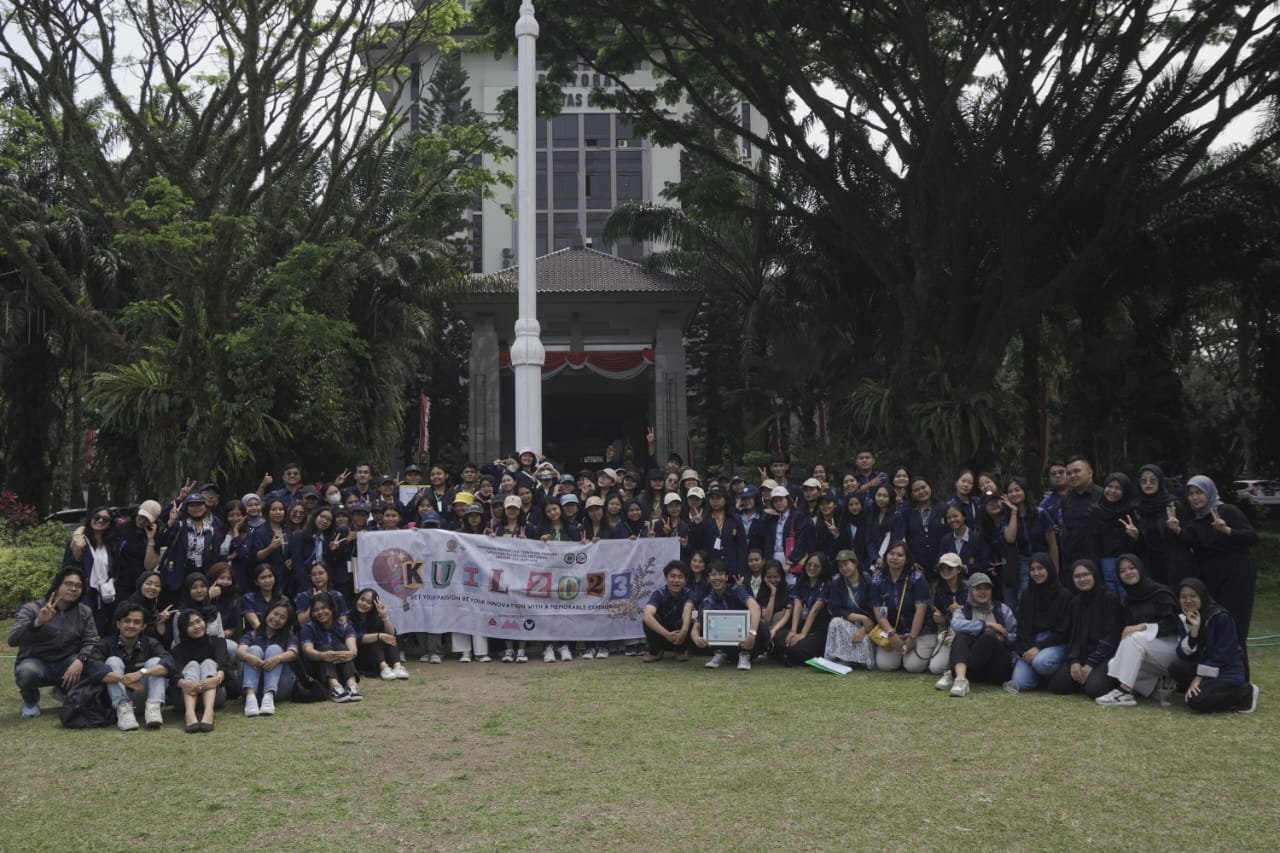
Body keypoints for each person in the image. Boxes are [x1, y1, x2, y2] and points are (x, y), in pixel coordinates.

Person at [1168, 474, 1258, 679]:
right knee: (1215, 625)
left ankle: (1241, 682)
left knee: (1235, 628)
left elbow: (1251, 537)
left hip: (1237, 575)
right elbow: (1195, 543)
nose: (1194, 497)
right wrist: (1177, 530)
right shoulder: (1197, 521)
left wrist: (1227, 530)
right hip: (1211, 578)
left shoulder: (1226, 511)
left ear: (1209, 493)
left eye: (1199, 492)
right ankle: (1217, 678)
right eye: (1191, 494)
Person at [9, 566, 100, 718]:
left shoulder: (84, 611)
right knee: (27, 673)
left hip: (67, 661)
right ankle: (30, 702)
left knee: (91, 665)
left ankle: (63, 691)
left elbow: (92, 640)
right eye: (68, 584)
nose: (73, 589)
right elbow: (13, 640)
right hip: (36, 661)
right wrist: (37, 623)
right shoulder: (32, 608)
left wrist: (81, 659)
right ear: (57, 586)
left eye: (78, 586)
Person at [1095, 554, 1181, 707]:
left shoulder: (1161, 592)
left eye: (1132, 568)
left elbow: (1173, 624)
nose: (1128, 573)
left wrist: (1143, 626)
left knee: (1134, 637)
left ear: (1140, 568)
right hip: (1150, 650)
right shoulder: (1128, 600)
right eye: (1122, 571)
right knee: (1115, 662)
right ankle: (1157, 686)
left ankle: (1124, 693)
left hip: (1173, 648)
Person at [1169, 578, 1259, 714]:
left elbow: (1223, 654)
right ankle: (1205, 690)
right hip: (1204, 666)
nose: (1188, 600)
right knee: (1176, 667)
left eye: (1193, 596)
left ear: (1202, 596)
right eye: (1183, 597)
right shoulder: (1185, 618)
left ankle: (1246, 692)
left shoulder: (1220, 617)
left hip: (1226, 670)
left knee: (1196, 702)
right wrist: (1194, 632)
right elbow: (1182, 653)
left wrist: (1198, 677)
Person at [86, 601, 176, 731]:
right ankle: (124, 712)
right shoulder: (104, 644)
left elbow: (170, 665)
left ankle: (153, 709)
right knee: (113, 661)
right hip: (115, 700)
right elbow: (94, 670)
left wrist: (141, 673)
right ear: (118, 624)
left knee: (156, 662)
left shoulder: (151, 644)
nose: (131, 625)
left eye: (136, 622)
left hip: (143, 697)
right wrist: (123, 679)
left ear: (143, 626)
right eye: (127, 621)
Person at [1047, 560, 1122, 698]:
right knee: (1058, 685)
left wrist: (1091, 663)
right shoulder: (1076, 602)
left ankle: (1097, 679)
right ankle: (1086, 678)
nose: (1082, 579)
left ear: (1095, 575)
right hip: (1082, 654)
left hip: (1105, 655)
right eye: (1077, 576)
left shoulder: (1108, 599)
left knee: (1094, 690)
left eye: (1086, 574)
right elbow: (1073, 636)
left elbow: (1112, 636)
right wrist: (1074, 661)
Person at [936, 572, 1017, 697]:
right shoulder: (963, 611)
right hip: (974, 672)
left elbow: (1016, 637)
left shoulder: (1002, 609)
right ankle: (960, 680)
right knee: (961, 636)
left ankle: (953, 673)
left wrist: (1005, 636)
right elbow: (955, 625)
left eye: (986, 588)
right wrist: (987, 625)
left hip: (997, 669)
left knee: (989, 636)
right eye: (977, 588)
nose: (982, 592)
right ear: (970, 591)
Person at [1006, 553, 1070, 693]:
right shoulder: (1027, 594)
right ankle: (1040, 676)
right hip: (1031, 642)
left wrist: (1038, 648)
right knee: (1020, 683)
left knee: (1041, 662)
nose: (1036, 573)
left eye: (1040, 568)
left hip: (1055, 643)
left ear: (1049, 568)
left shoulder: (1064, 595)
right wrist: (1024, 650)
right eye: (1032, 569)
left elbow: (1063, 631)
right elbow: (1022, 627)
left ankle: (1055, 672)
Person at [690, 562, 770, 670]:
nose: (717, 578)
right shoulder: (707, 601)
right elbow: (696, 626)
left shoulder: (737, 590)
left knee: (762, 626)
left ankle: (745, 655)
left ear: (726, 577)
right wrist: (695, 637)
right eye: (713, 575)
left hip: (746, 641)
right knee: (706, 618)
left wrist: (752, 634)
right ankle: (719, 653)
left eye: (721, 574)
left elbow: (755, 607)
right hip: (725, 643)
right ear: (708, 579)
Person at [869, 541, 934, 672]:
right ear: (886, 556)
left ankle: (917, 651)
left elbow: (920, 611)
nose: (894, 558)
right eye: (891, 554)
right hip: (894, 631)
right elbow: (879, 612)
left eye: (900, 555)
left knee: (913, 667)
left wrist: (912, 637)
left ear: (907, 559)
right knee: (885, 665)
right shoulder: (877, 579)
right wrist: (891, 633)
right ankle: (902, 655)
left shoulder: (917, 578)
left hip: (920, 631)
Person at [236, 600, 300, 716]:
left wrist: (277, 658)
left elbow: (293, 653)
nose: (277, 619)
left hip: (279, 688)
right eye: (275, 614)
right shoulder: (252, 634)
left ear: (287, 622)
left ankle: (268, 696)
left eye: (282, 617)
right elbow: (240, 651)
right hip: (250, 685)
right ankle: (250, 698)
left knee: (275, 649)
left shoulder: (289, 636)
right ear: (268, 613)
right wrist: (249, 657)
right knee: (254, 649)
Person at [170, 609, 228, 733]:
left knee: (208, 662)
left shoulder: (217, 642)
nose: (196, 626)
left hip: (215, 695)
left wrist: (217, 678)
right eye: (190, 624)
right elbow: (173, 674)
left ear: (204, 622)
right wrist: (184, 683)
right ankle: (189, 714)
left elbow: (223, 666)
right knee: (192, 665)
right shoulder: (177, 650)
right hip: (185, 697)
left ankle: (209, 712)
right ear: (183, 629)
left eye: (198, 621)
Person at [64, 506, 119, 634]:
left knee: (99, 631)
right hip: (84, 593)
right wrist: (77, 546)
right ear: (90, 518)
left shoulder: (111, 545)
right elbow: (68, 567)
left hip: (104, 595)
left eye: (105, 519)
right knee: (80, 630)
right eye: (97, 517)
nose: (100, 520)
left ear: (110, 523)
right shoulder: (79, 541)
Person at [299, 592, 362, 703]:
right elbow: (308, 650)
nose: (320, 612)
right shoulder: (308, 628)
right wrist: (322, 655)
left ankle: (352, 685)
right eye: (316, 610)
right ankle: (334, 687)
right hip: (318, 671)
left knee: (341, 647)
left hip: (340, 669)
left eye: (324, 608)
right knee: (325, 648)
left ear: (332, 608)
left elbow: (353, 648)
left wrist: (350, 654)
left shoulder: (344, 626)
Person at [824, 550, 876, 669]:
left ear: (855, 563)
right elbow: (835, 609)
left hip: (869, 626)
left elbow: (875, 610)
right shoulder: (837, 583)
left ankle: (856, 660)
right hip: (849, 623)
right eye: (840, 566)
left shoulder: (869, 581)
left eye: (846, 564)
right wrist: (861, 617)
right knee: (835, 622)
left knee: (862, 641)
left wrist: (863, 629)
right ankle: (836, 660)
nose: (843, 568)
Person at [781, 553, 830, 666]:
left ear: (823, 568)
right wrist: (793, 631)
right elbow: (797, 606)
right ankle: (791, 655)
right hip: (802, 625)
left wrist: (802, 634)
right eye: (809, 564)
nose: (812, 568)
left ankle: (790, 655)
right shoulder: (801, 582)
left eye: (816, 566)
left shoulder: (826, 585)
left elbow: (814, 611)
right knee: (780, 636)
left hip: (818, 629)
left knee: (799, 647)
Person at [351, 589, 410, 680]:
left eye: (369, 602)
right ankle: (384, 668)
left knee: (389, 638)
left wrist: (384, 616)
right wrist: (379, 636)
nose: (364, 604)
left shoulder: (375, 618)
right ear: (357, 599)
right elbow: (354, 638)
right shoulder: (348, 617)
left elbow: (392, 634)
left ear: (373, 606)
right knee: (377, 638)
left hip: (375, 656)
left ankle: (397, 667)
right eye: (362, 599)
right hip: (359, 656)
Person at [641, 561, 694, 661]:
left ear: (685, 580)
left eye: (680, 577)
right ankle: (656, 652)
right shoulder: (658, 594)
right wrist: (666, 634)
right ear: (666, 578)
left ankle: (680, 651)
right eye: (672, 576)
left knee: (690, 618)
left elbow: (687, 610)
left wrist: (684, 631)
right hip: (662, 635)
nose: (676, 580)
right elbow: (647, 615)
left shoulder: (689, 593)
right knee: (649, 618)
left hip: (680, 635)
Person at [926, 553, 969, 678]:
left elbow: (977, 616)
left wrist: (961, 611)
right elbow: (936, 614)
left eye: (949, 568)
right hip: (946, 633)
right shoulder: (936, 589)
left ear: (959, 569)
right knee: (935, 668)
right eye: (942, 568)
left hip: (966, 634)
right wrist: (941, 619)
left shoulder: (970, 588)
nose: (945, 571)